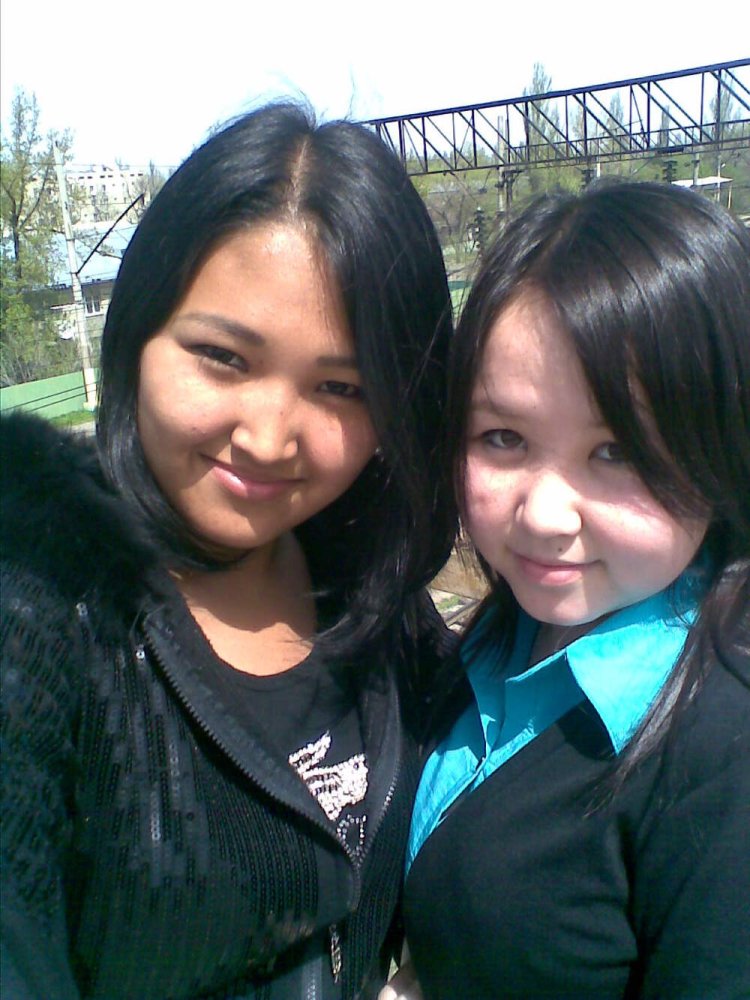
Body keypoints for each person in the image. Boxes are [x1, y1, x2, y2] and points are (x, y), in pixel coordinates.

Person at [0, 102, 457, 1000]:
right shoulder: (40, 608)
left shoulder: (368, 584)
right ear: (138, 333)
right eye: (223, 358)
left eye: (340, 387)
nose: (269, 438)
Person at [390, 181, 750, 999]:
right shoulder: (497, 639)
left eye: (616, 452)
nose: (545, 517)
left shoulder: (723, 746)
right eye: (503, 438)